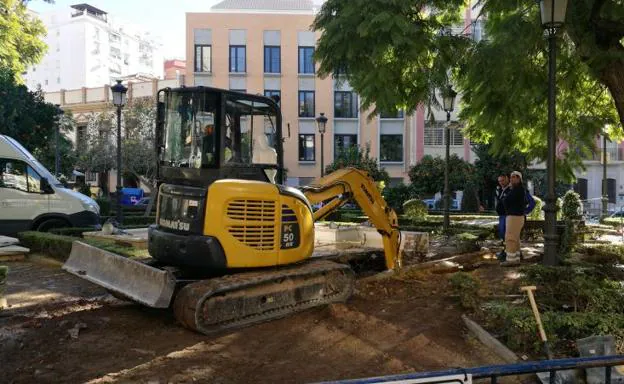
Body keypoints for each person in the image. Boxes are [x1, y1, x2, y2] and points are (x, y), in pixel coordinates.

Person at [503, 171, 527, 262]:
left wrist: (508, 189)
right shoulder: (516, 189)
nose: (511, 179)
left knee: (510, 238)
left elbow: (506, 201)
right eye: (511, 177)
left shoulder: (518, 190)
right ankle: (515, 258)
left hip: (514, 217)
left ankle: (510, 260)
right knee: (515, 239)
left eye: (514, 177)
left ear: (519, 179)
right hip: (516, 216)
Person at [495, 174, 510, 260]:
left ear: (507, 179)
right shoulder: (500, 189)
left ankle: (507, 253)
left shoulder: (510, 189)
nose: (501, 183)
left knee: (506, 234)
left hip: (508, 215)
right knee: (502, 234)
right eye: (499, 181)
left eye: (502, 180)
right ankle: (504, 251)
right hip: (501, 215)